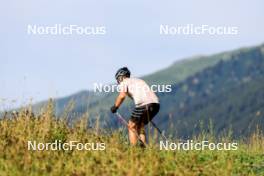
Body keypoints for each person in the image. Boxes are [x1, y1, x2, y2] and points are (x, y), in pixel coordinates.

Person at [110, 67, 160, 145]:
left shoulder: (125, 82)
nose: (118, 82)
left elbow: (122, 96)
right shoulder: (139, 80)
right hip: (156, 104)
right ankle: (143, 147)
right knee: (140, 125)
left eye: (118, 79)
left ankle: (134, 149)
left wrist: (115, 107)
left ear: (121, 77)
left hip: (143, 105)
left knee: (131, 126)